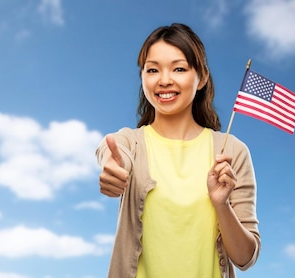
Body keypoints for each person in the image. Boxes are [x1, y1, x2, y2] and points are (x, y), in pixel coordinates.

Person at [96, 23, 260, 278]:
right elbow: (112, 153)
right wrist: (114, 167)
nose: (164, 80)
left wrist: (222, 205)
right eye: (152, 70)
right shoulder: (131, 142)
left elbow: (245, 258)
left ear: (202, 77)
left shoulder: (232, 151)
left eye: (179, 68)